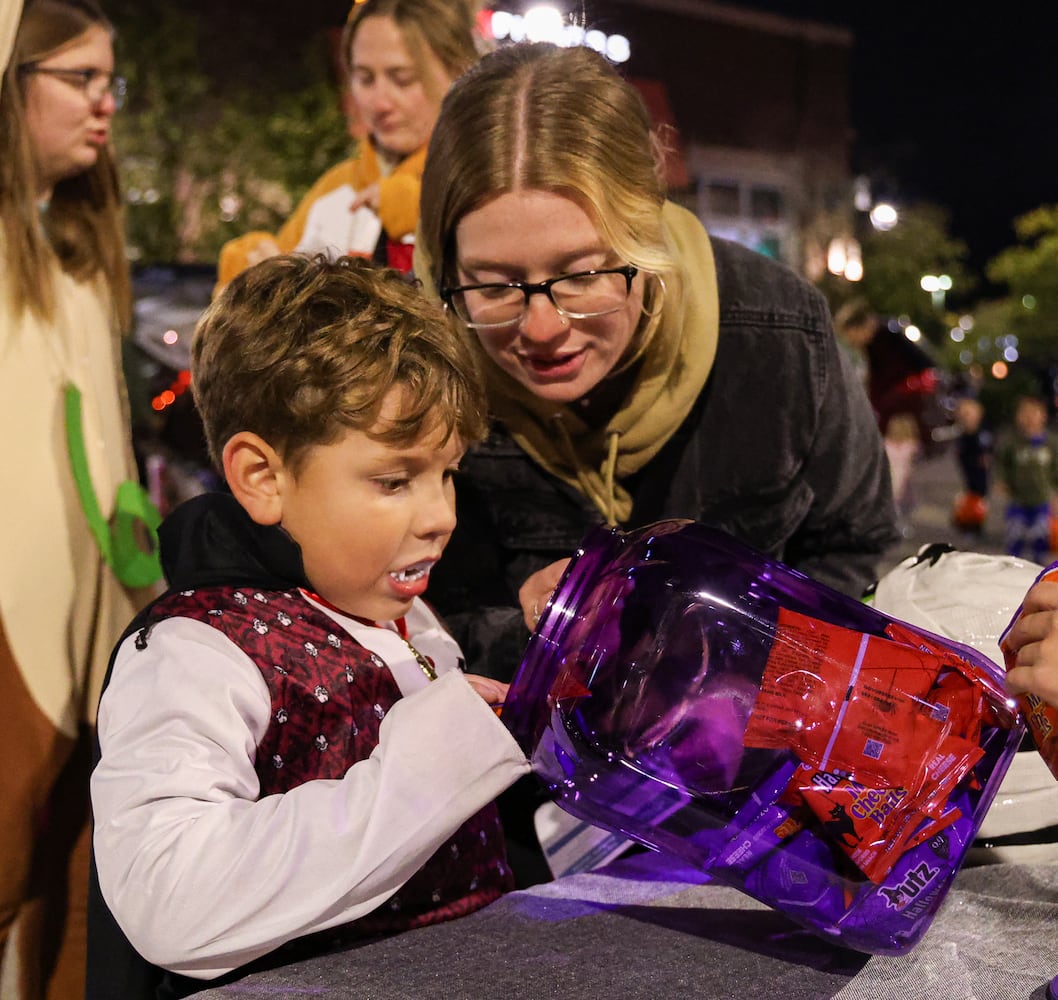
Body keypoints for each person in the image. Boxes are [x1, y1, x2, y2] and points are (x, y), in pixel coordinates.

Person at [415, 40, 898, 885]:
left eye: (580, 275)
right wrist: (523, 634)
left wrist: (739, 663)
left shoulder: (778, 337)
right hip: (504, 842)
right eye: (492, 285)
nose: (539, 328)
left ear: (646, 234)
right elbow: (377, 622)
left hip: (752, 825)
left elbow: (857, 547)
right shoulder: (423, 371)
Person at [87, 255, 529, 998]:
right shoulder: (197, 652)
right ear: (263, 477)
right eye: (395, 480)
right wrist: (419, 778)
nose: (441, 515)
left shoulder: (393, 609)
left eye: (447, 473)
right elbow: (169, 895)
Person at [0, 2, 159, 997]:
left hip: (102, 630)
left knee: (75, 896)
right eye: (80, 78)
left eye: (113, 81)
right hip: (13, 638)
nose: (106, 104)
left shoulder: (84, 260)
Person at [216, 0, 482, 285]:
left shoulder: (491, 179)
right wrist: (252, 273)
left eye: (403, 79)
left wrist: (425, 212)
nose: (379, 103)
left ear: (459, 73)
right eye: (365, 79)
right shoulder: (337, 189)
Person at [995, 394, 1058, 563]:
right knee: (1015, 535)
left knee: (1041, 535)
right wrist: (1000, 481)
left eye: (1034, 413)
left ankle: (1037, 564)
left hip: (1042, 499)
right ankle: (1013, 563)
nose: (1029, 418)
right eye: (1025, 414)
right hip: (1018, 499)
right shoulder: (1012, 442)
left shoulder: (1050, 442)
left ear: (1043, 416)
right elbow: (1001, 464)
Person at [951, 395, 993, 536]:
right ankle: (966, 523)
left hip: (979, 474)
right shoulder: (963, 434)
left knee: (978, 499)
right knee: (966, 498)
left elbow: (987, 449)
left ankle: (975, 526)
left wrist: (986, 457)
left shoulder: (983, 432)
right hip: (966, 472)